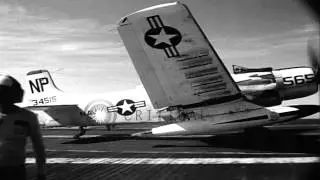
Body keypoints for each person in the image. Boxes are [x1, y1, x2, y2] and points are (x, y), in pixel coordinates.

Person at [0, 74, 46, 180]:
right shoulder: (28, 117)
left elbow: (39, 147)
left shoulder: (28, 117)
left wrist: (41, 173)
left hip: (15, 171)